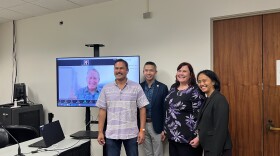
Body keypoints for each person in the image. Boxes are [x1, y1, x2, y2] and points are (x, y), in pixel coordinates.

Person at [96, 59, 149, 156]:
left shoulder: (136, 87)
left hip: (131, 134)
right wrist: (100, 132)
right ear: (113, 70)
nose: (118, 71)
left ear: (127, 70)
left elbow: (142, 109)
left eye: (121, 68)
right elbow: (102, 110)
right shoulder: (106, 88)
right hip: (112, 134)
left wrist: (142, 130)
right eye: (116, 68)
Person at [164, 62, 204, 156]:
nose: (181, 73)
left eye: (184, 71)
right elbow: (169, 110)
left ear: (190, 75)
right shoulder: (173, 87)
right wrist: (165, 129)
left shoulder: (196, 90)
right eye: (179, 70)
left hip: (189, 140)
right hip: (172, 137)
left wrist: (199, 137)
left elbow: (201, 116)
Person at [190, 70, 232, 156]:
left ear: (213, 82)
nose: (201, 84)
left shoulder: (219, 100)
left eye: (204, 80)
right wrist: (199, 138)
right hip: (209, 147)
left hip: (218, 149)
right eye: (199, 81)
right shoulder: (208, 99)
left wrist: (214, 152)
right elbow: (207, 124)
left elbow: (220, 130)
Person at [140, 61, 168, 156]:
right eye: (146, 70)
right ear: (143, 72)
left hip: (157, 125)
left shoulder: (163, 87)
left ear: (155, 72)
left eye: (151, 70)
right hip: (142, 125)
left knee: (158, 153)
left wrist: (164, 128)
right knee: (147, 153)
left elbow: (165, 110)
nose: (148, 73)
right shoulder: (139, 87)